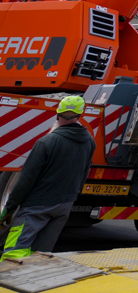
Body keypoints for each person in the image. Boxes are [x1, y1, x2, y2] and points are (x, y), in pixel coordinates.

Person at [0, 96, 95, 260]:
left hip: (36, 206)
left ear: (57, 114)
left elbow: (26, 179)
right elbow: (84, 173)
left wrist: (9, 208)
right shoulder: (89, 141)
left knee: (14, 253)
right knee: (41, 255)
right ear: (79, 116)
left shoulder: (47, 141)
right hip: (64, 206)